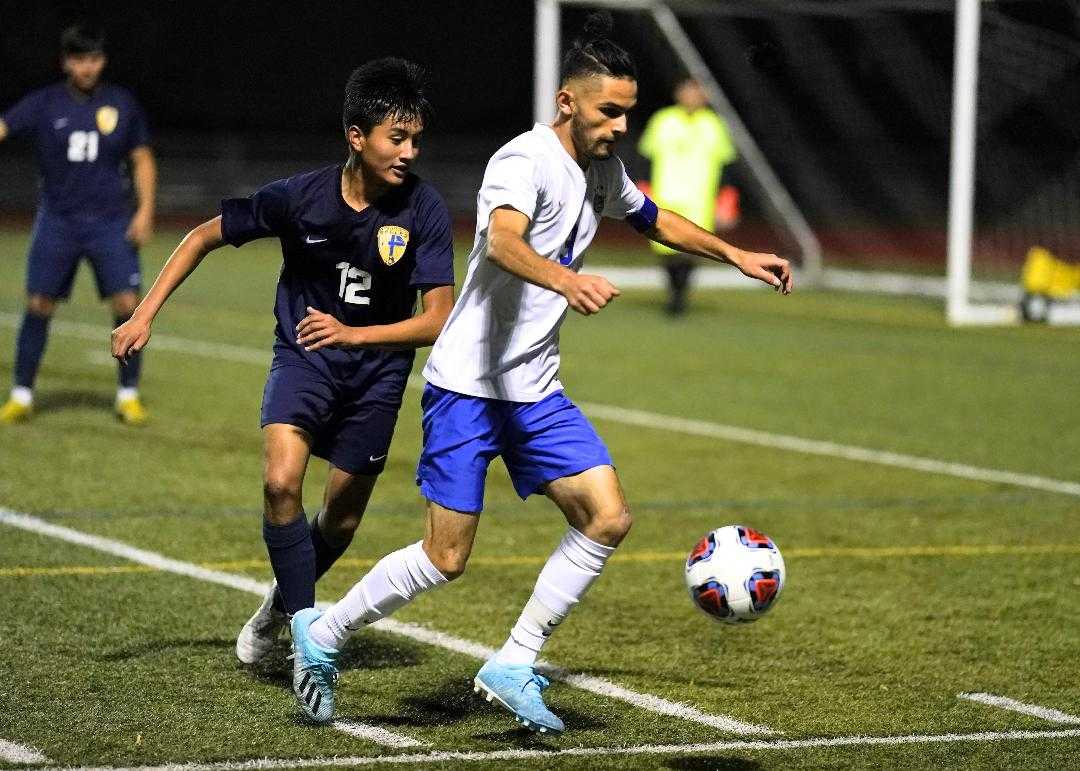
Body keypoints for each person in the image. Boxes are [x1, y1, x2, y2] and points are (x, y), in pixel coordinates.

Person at [288, 13, 790, 731]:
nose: (619, 124)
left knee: (608, 514)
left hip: (534, 388)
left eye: (626, 112)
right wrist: (565, 281)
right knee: (445, 556)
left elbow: (654, 219)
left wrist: (735, 255)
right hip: (468, 386)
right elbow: (501, 241)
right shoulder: (523, 162)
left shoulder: (603, 169)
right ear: (567, 102)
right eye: (608, 110)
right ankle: (325, 632)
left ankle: (515, 660)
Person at [110, 59, 455, 672]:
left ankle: (275, 608)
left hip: (377, 373)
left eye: (415, 140)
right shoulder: (301, 198)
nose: (409, 152)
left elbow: (437, 319)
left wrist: (356, 335)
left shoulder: (422, 207)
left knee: (342, 521)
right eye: (396, 138)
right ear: (357, 135)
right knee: (279, 484)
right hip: (305, 358)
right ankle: (305, 633)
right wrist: (143, 314)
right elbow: (201, 237)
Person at [0, 23, 157, 424]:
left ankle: (128, 395)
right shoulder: (45, 103)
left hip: (111, 223)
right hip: (58, 221)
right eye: (80, 60)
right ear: (66, 62)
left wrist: (144, 211)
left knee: (127, 305)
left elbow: (142, 158)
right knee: (39, 304)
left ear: (102, 60)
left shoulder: (122, 103)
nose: (88, 68)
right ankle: (21, 394)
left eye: (95, 59)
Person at [638, 76, 737, 315]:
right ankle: (675, 290)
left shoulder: (714, 125)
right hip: (665, 196)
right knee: (666, 249)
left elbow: (727, 168)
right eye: (688, 91)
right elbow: (644, 158)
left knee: (692, 249)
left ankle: (679, 296)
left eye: (698, 92)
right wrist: (642, 189)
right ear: (679, 94)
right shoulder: (663, 121)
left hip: (699, 201)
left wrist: (727, 202)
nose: (693, 96)